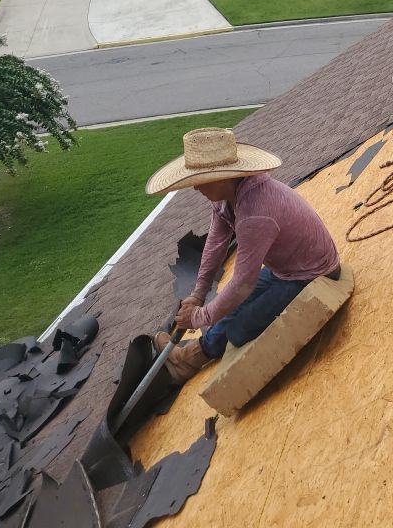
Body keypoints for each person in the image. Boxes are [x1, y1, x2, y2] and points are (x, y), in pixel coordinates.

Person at [145, 127, 340, 383]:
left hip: (312, 275)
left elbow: (243, 283)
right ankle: (191, 356)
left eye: (199, 180)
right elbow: (215, 243)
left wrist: (199, 316)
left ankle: (190, 359)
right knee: (227, 309)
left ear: (221, 177)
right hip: (284, 269)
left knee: (238, 329)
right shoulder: (227, 197)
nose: (194, 188)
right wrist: (198, 294)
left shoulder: (256, 211)